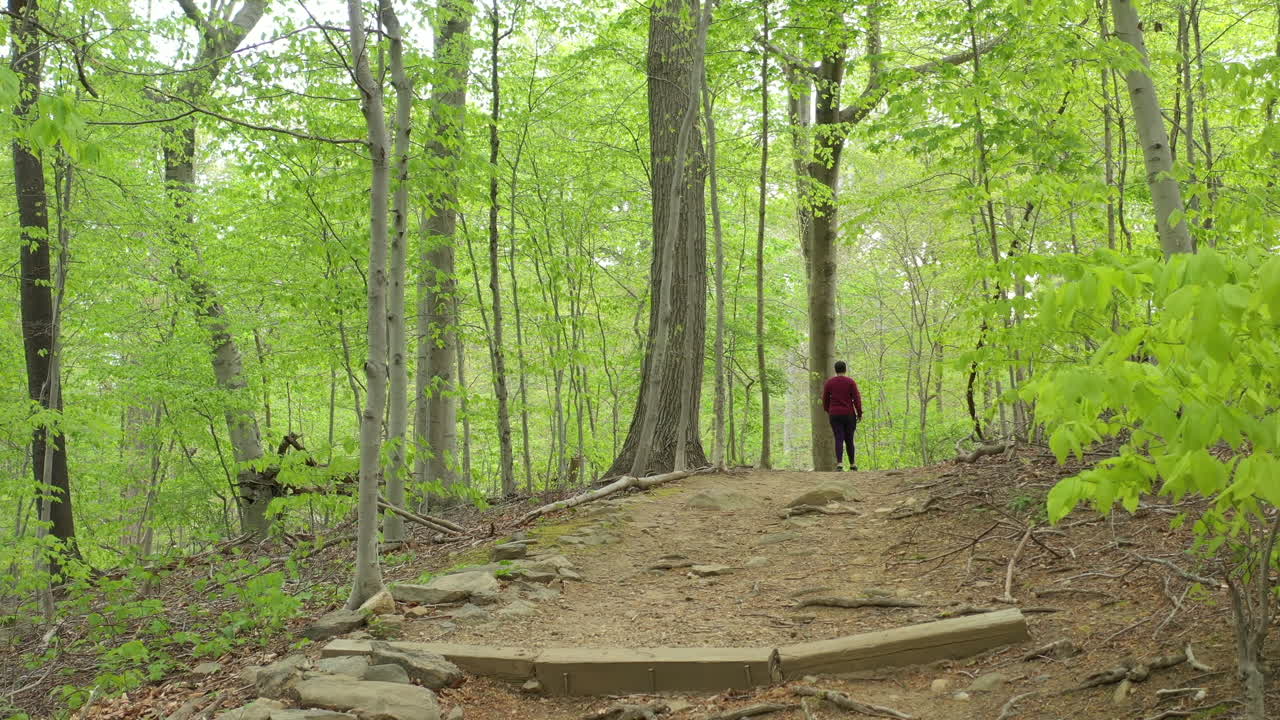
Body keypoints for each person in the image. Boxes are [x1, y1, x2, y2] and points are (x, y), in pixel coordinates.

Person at [821, 360, 863, 471]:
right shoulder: (850, 382)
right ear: (845, 369)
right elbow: (857, 399)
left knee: (838, 438)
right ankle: (852, 464)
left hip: (835, 415)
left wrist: (829, 410)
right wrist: (859, 413)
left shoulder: (829, 383)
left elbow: (825, 400)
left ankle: (839, 464)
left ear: (835, 370)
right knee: (849, 439)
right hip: (849, 414)